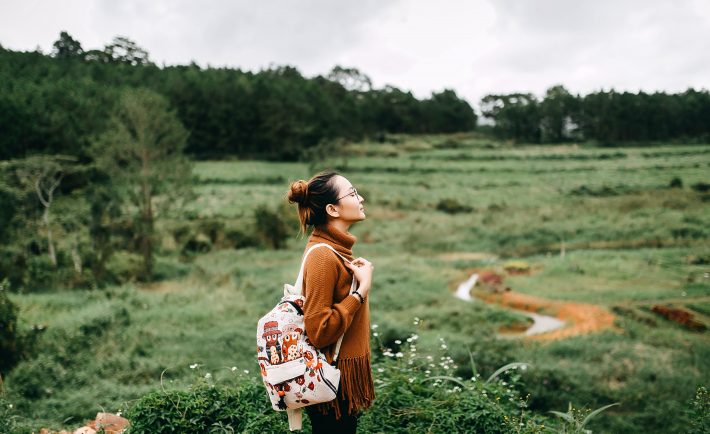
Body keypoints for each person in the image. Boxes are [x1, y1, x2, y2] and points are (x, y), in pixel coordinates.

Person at [287, 170, 375, 433]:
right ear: (332, 209)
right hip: (331, 382)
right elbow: (319, 330)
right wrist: (361, 291)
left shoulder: (336, 252)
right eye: (352, 193)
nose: (361, 199)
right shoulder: (323, 257)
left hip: (339, 380)